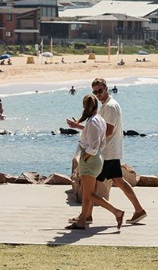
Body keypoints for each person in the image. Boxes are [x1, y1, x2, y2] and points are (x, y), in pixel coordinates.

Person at [67, 78, 147, 225]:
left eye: (100, 91)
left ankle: (87, 216)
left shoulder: (109, 107)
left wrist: (91, 149)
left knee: (90, 187)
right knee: (115, 181)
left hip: (106, 152)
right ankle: (138, 210)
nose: (98, 94)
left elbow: (107, 132)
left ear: (106, 88)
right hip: (109, 151)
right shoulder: (107, 105)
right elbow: (98, 131)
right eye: (95, 92)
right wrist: (78, 127)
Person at [65, 94, 124, 230]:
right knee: (87, 192)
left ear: (85, 107)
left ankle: (116, 212)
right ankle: (83, 219)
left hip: (91, 160)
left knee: (90, 194)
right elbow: (101, 141)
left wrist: (86, 155)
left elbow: (95, 143)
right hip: (96, 158)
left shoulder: (93, 121)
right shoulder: (99, 119)